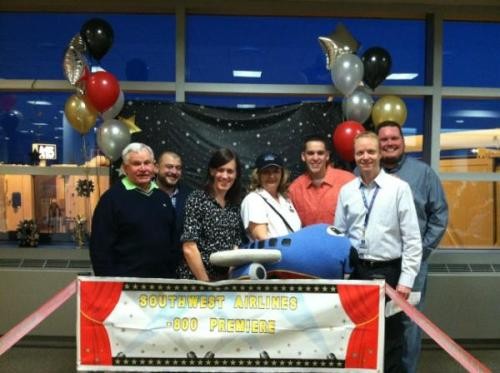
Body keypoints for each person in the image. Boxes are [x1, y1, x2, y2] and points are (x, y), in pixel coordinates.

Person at [334, 131, 422, 372]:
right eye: (360, 152)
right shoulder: (347, 191)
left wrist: (406, 281)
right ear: (354, 156)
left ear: (380, 153)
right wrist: (342, 276)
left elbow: (413, 239)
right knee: (358, 333)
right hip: (357, 272)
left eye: (371, 151)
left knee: (391, 337)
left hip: (390, 273)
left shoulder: (399, 189)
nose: (366, 157)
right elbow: (339, 236)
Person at [377, 121, 449, 373]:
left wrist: (420, 254)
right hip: (376, 266)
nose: (389, 143)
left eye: (393, 138)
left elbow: (439, 216)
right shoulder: (362, 173)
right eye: (383, 139)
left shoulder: (423, 174)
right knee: (376, 322)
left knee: (408, 323)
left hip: (412, 266)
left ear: (403, 141)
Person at [89, 143, 180, 278]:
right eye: (136, 164)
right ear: (126, 168)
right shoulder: (111, 200)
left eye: (147, 163)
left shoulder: (162, 198)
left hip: (161, 285)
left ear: (154, 166)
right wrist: (109, 285)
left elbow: (173, 243)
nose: (143, 169)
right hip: (125, 287)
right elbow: (100, 250)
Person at [179, 148, 244, 281]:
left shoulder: (234, 206)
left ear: (236, 174)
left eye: (230, 171)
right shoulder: (197, 199)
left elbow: (235, 246)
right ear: (212, 171)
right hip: (197, 281)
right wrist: (207, 286)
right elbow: (189, 248)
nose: (225, 176)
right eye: (221, 170)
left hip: (224, 282)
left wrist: (230, 279)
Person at [288, 134, 355, 226]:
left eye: (320, 153)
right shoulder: (294, 190)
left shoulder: (348, 180)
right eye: (310, 153)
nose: (315, 158)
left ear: (327, 156)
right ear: (303, 156)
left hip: (344, 240)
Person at [241, 152, 301, 241]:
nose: (272, 176)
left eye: (276, 171)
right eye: (266, 172)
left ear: (282, 174)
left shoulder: (286, 200)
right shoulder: (253, 199)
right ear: (258, 175)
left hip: (294, 252)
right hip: (274, 254)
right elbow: (261, 238)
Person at [156, 150, 192, 236]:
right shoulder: (144, 193)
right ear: (156, 168)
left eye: (178, 168)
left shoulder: (191, 196)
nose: (174, 172)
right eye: (169, 167)